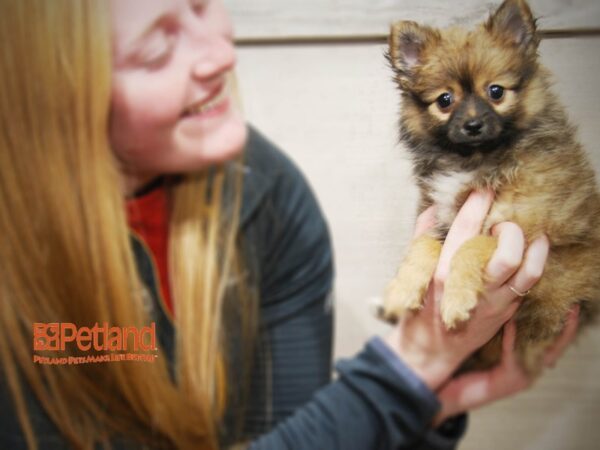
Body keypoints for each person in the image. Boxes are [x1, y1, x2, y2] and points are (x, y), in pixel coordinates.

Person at [0, 0, 579, 449]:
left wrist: (432, 403)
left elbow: (302, 437)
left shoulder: (269, 197)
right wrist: (414, 362)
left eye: (202, 6)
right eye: (155, 49)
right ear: (59, 86)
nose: (220, 55)